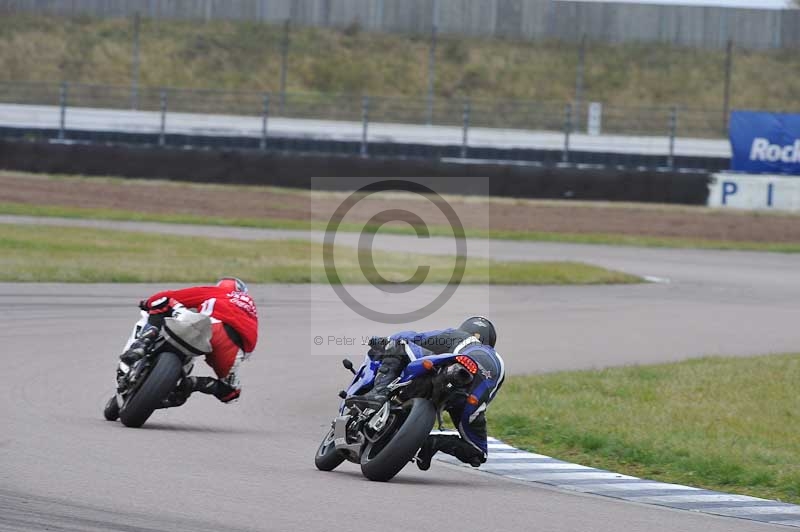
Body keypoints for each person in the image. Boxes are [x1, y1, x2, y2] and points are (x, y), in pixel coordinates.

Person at [346, 316, 505, 471]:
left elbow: (415, 337)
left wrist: (385, 341)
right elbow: (486, 399)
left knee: (399, 344)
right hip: (472, 396)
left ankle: (377, 394)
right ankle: (435, 443)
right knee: (478, 452)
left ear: (465, 330)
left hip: (456, 370)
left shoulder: (461, 337)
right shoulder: (499, 364)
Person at [120, 277, 258, 406]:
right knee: (230, 393)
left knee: (162, 301)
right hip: (233, 348)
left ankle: (143, 343)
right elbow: (249, 349)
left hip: (210, 326)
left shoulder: (218, 292)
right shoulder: (251, 309)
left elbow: (169, 296)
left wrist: (147, 303)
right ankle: (192, 384)